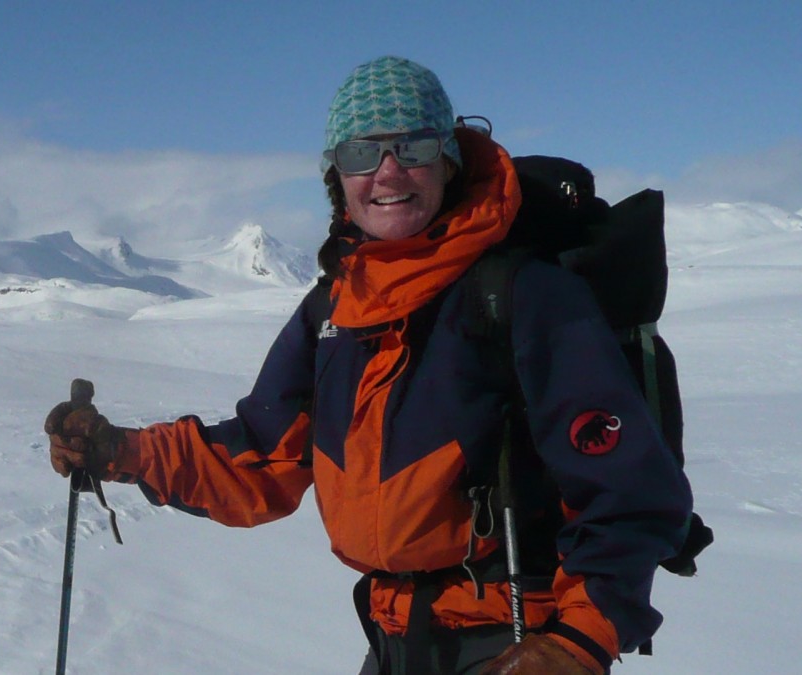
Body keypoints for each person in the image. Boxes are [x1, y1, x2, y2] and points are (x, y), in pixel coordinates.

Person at [43, 56, 694, 675]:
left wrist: (579, 642)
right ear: (337, 176)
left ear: (447, 158)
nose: (386, 171)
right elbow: (264, 454)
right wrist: (121, 451)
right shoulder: (336, 309)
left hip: (518, 639)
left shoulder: (524, 295)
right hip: (395, 639)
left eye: (409, 147)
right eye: (360, 153)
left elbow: (630, 490)